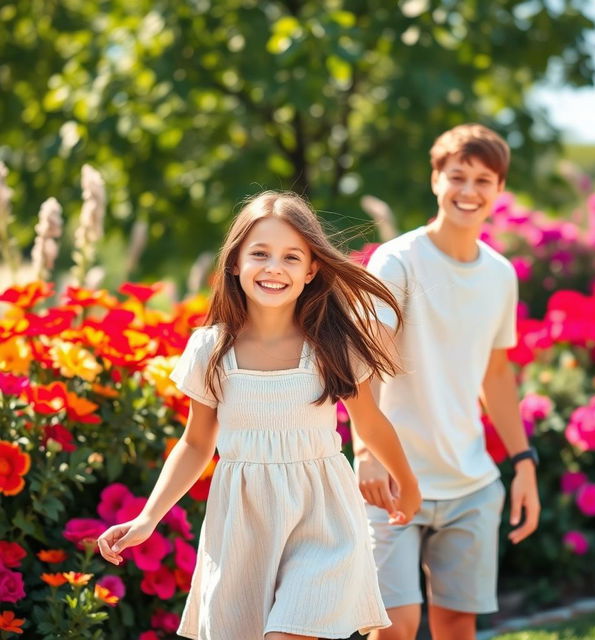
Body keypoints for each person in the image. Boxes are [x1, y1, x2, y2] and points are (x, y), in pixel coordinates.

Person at [97, 191, 422, 640]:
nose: (274, 267)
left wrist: (407, 481)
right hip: (241, 529)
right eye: (260, 254)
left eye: (292, 257)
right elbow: (196, 443)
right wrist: (147, 518)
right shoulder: (211, 350)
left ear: (311, 270)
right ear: (234, 263)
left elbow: (370, 422)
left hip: (323, 523)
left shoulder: (331, 346)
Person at [354, 124, 541, 640]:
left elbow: (496, 374)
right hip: (393, 478)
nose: (468, 190)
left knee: (458, 625)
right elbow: (362, 362)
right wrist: (367, 454)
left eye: (483, 180)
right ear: (435, 179)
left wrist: (524, 462)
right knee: (394, 627)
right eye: (457, 176)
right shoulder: (398, 260)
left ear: (499, 191)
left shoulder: (501, 274)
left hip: (472, 484)